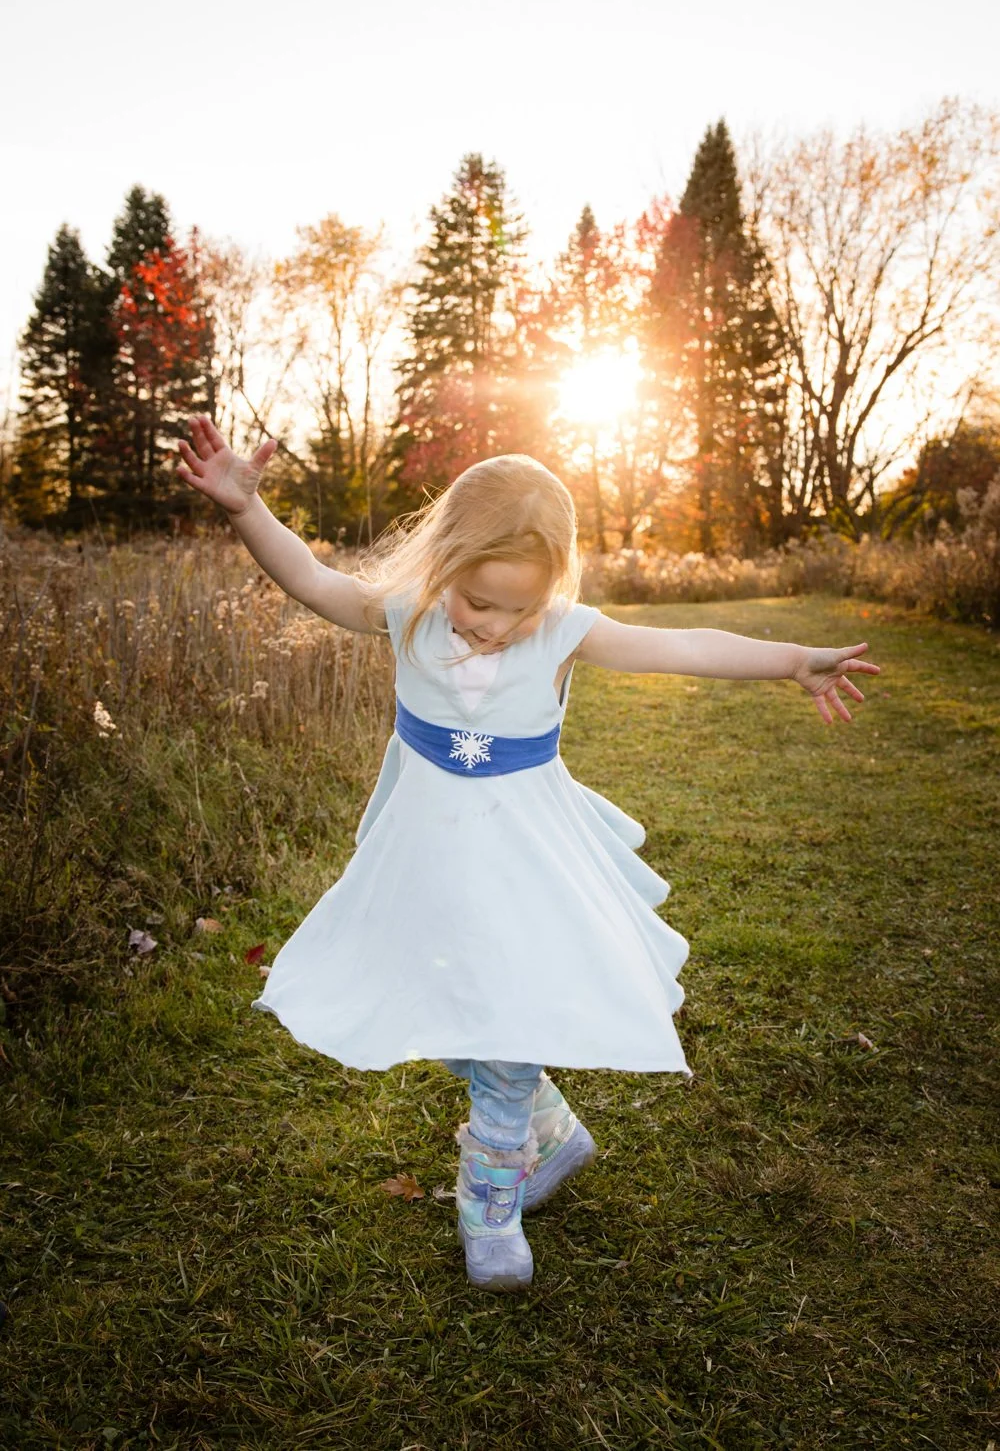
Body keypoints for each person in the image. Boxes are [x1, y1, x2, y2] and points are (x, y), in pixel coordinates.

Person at [175, 414, 880, 1293]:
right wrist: (246, 509)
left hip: (525, 860)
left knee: (502, 1013)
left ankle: (492, 1191)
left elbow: (682, 646)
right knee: (435, 993)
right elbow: (316, 581)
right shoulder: (406, 612)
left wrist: (792, 662)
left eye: (520, 606)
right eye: (480, 602)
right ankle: (549, 1120)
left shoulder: (561, 630)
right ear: (442, 567)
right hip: (426, 856)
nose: (498, 626)